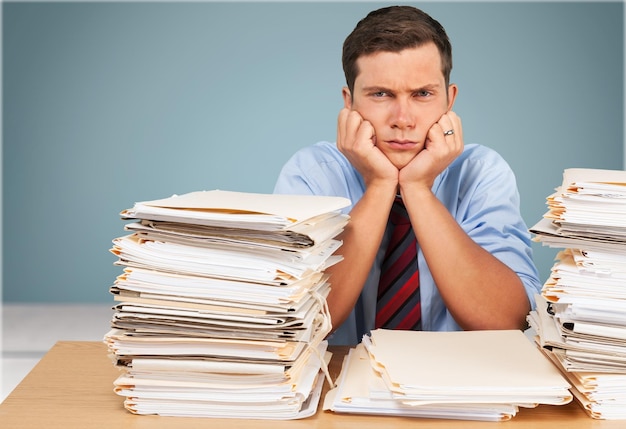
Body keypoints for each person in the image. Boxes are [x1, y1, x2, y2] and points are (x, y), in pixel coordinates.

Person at [273, 5, 542, 345]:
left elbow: (507, 321)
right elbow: (301, 321)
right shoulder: (311, 174)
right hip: (336, 389)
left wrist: (417, 188)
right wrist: (380, 185)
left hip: (456, 390)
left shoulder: (481, 173)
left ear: (449, 101)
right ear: (350, 103)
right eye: (381, 94)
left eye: (422, 94)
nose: (403, 118)